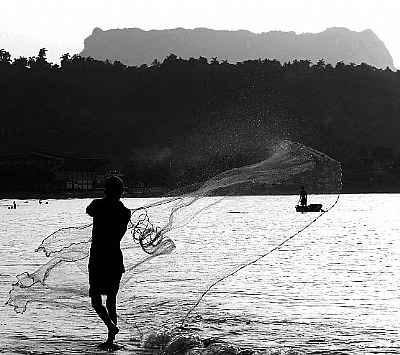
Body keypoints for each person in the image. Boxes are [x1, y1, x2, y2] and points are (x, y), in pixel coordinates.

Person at [86, 176, 131, 348]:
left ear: (105, 190)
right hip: (114, 257)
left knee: (96, 300)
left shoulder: (97, 205)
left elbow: (89, 210)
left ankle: (111, 327)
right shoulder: (125, 212)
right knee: (111, 300)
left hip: (98, 257)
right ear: (122, 191)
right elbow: (118, 235)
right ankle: (111, 339)